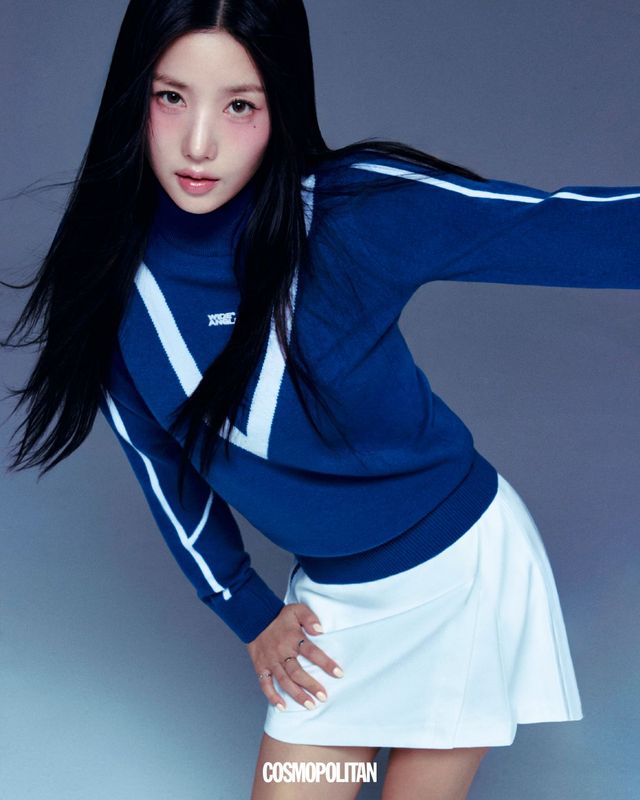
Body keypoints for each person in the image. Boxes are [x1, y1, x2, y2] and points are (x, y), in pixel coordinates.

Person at [1, 1, 638, 798]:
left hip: (461, 576)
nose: (199, 144)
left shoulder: (353, 213)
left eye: (240, 105)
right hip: (334, 607)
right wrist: (247, 609)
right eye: (171, 97)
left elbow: (562, 229)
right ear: (134, 95)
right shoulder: (104, 282)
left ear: (281, 107)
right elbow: (164, 472)